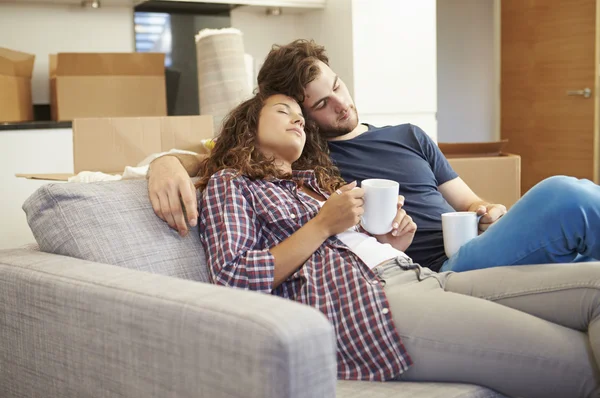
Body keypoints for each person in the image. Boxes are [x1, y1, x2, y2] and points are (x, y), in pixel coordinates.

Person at [198, 91, 600, 398]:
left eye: (302, 118)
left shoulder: (313, 185)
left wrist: (391, 243)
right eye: (284, 112)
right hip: (370, 309)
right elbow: (233, 277)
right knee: (581, 367)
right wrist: (322, 225)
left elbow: (349, 253)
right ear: (249, 127)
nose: (298, 122)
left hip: (419, 279)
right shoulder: (231, 184)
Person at [147, 39, 600, 273]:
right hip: (438, 271)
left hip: (477, 246)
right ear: (299, 114)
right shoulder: (303, 159)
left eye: (337, 87)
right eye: (320, 104)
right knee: (565, 194)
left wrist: (487, 211)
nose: (341, 104)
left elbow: (468, 202)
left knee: (585, 265)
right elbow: (228, 153)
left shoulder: (409, 134)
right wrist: (164, 162)